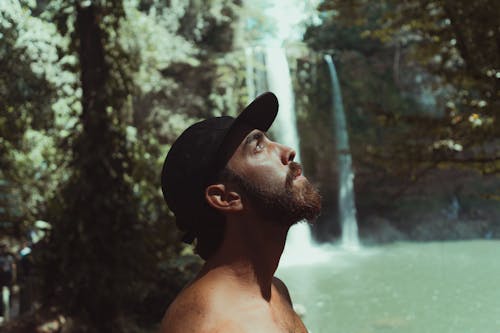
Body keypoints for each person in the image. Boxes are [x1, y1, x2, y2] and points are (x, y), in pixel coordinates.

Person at [159, 92, 321, 333]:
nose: (287, 151)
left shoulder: (275, 291)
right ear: (225, 198)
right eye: (258, 147)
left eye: (269, 140)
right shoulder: (210, 325)